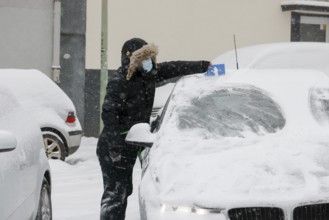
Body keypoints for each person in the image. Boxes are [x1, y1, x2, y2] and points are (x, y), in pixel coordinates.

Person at [96, 37, 211, 220]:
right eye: (144, 58)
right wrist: (114, 145)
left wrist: (203, 65)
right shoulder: (120, 81)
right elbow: (109, 114)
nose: (149, 62)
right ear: (132, 60)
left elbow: (175, 67)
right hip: (114, 146)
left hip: (134, 140)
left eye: (150, 57)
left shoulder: (148, 76)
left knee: (125, 190)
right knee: (115, 195)